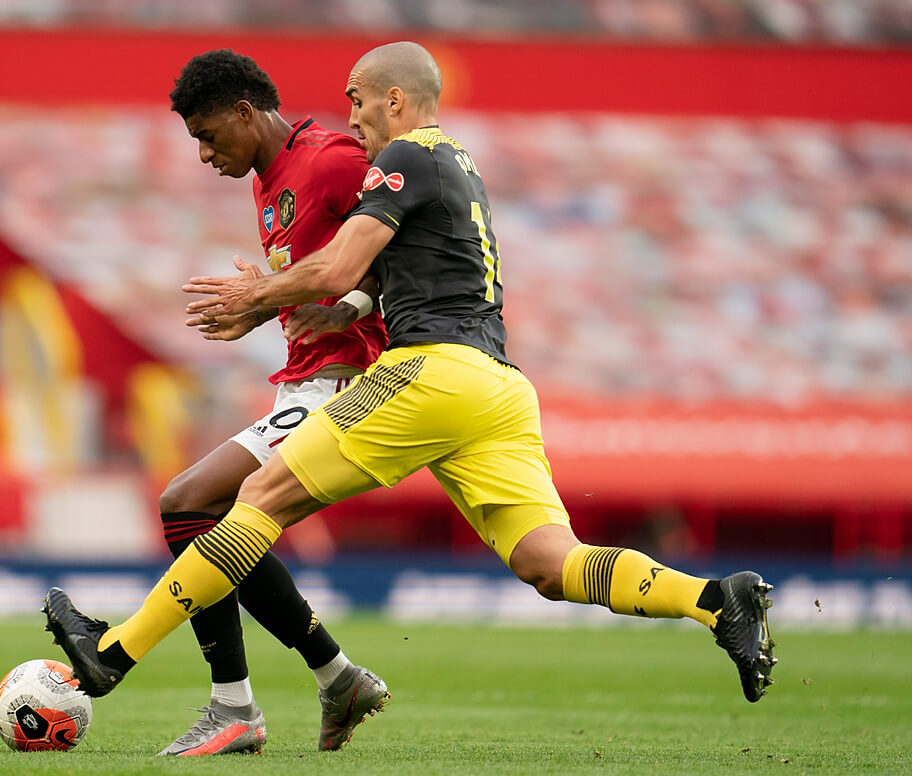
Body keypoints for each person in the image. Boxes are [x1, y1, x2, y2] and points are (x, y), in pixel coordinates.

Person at [44, 41, 777, 724]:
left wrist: (257, 298)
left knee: (255, 497)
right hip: (497, 385)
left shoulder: (405, 154)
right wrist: (347, 309)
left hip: (429, 372)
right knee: (549, 563)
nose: (351, 115)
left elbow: (336, 265)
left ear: (395, 99)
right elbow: (401, 276)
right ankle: (716, 599)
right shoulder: (459, 164)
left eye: (358, 99)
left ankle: (111, 658)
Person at [47, 50, 390, 756]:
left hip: (353, 380)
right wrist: (265, 303)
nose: (204, 154)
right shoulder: (272, 182)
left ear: (244, 111)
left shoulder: (329, 157)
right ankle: (334, 677)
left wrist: (347, 305)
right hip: (308, 379)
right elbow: (322, 272)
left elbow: (412, 243)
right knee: (225, 522)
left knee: (187, 502)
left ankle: (232, 706)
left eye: (209, 135)